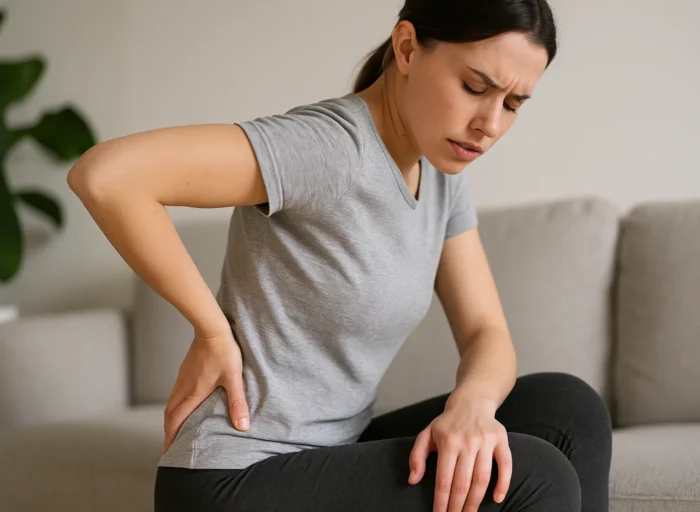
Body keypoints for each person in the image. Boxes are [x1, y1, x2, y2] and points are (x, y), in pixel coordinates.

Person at [68, 0, 612, 510]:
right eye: (475, 87)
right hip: (232, 477)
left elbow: (486, 334)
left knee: (569, 409)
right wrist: (212, 330)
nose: (490, 125)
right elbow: (107, 176)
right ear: (406, 48)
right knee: (535, 473)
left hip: (328, 453)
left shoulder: (440, 171)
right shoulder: (328, 146)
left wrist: (471, 406)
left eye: (513, 104)